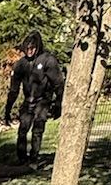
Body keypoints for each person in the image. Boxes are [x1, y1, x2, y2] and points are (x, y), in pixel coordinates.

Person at [4, 30, 66, 164]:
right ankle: (21, 158)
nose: (29, 51)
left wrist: (58, 103)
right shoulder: (21, 64)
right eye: (27, 48)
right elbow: (14, 89)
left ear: (37, 47)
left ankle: (34, 158)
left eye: (32, 48)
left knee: (38, 129)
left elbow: (58, 84)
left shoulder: (48, 60)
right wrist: (8, 109)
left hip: (43, 100)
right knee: (22, 129)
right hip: (28, 101)